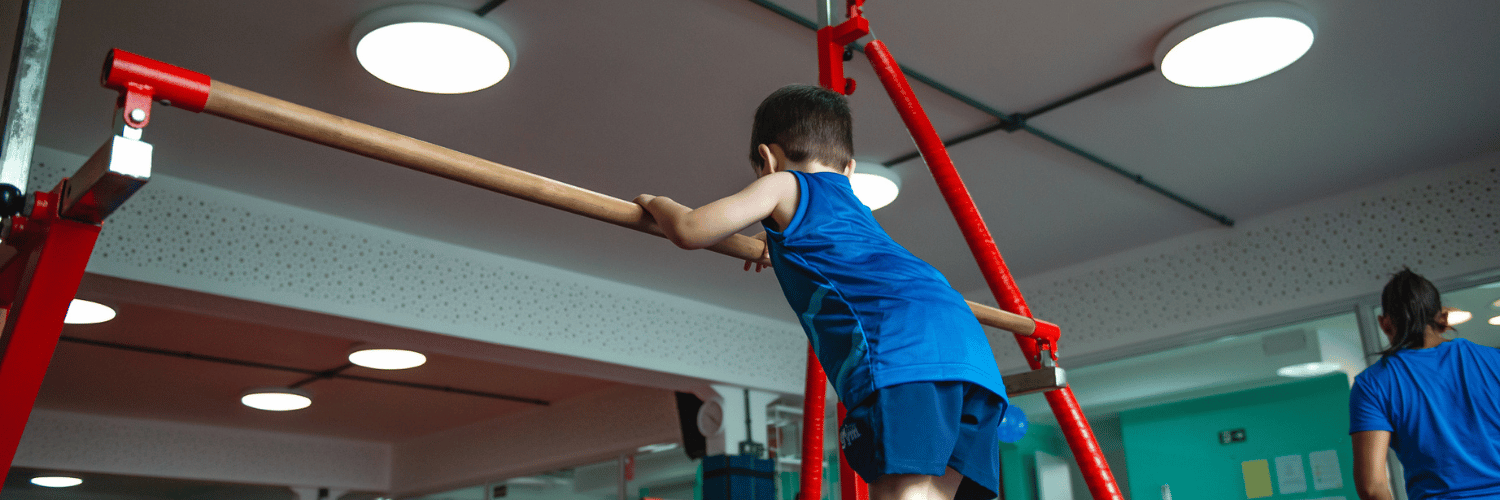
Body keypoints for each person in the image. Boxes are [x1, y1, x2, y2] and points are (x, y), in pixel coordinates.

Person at [634, 84, 1008, 500]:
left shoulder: (784, 184)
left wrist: (655, 201)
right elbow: (837, 246)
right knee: (931, 494)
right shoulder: (853, 208)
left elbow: (690, 229)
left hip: (901, 349)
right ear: (848, 169)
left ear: (767, 158)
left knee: (900, 491)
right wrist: (773, 239)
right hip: (968, 348)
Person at [1348, 269, 1500, 500]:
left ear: (1385, 323)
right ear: (1444, 318)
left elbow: (1372, 487)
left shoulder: (1373, 384)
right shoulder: (1494, 361)